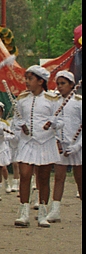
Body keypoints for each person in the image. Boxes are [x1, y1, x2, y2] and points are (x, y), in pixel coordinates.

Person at [11, 66, 63, 228]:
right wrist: (20, 125)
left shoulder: (52, 99)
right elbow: (15, 119)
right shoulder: (21, 99)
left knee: (43, 177)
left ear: (41, 81)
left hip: (45, 142)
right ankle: (24, 212)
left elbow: (60, 120)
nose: (27, 82)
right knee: (25, 174)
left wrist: (53, 123)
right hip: (27, 141)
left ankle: (42, 212)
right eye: (26, 78)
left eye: (30, 79)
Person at [47, 70, 81, 222]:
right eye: (58, 84)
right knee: (59, 177)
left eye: (63, 83)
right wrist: (57, 140)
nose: (60, 87)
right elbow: (53, 125)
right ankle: (55, 211)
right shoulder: (54, 102)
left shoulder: (79, 102)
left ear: (72, 85)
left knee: (79, 179)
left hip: (77, 146)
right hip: (61, 145)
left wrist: (78, 146)